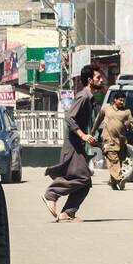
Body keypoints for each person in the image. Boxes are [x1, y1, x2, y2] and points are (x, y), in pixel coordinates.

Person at [43, 64, 106, 222]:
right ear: (90, 80)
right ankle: (51, 193)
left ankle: (67, 213)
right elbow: (69, 118)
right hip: (73, 146)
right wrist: (82, 135)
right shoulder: (83, 96)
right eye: (98, 78)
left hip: (78, 145)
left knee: (85, 183)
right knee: (83, 178)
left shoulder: (90, 99)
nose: (101, 80)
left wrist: (94, 141)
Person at [99, 91, 133, 190]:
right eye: (120, 100)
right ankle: (120, 178)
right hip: (108, 140)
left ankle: (114, 183)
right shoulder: (106, 108)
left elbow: (131, 126)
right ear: (115, 99)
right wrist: (92, 131)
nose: (122, 102)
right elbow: (98, 119)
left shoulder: (127, 111)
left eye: (123, 100)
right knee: (113, 160)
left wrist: (128, 124)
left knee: (119, 161)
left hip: (121, 141)